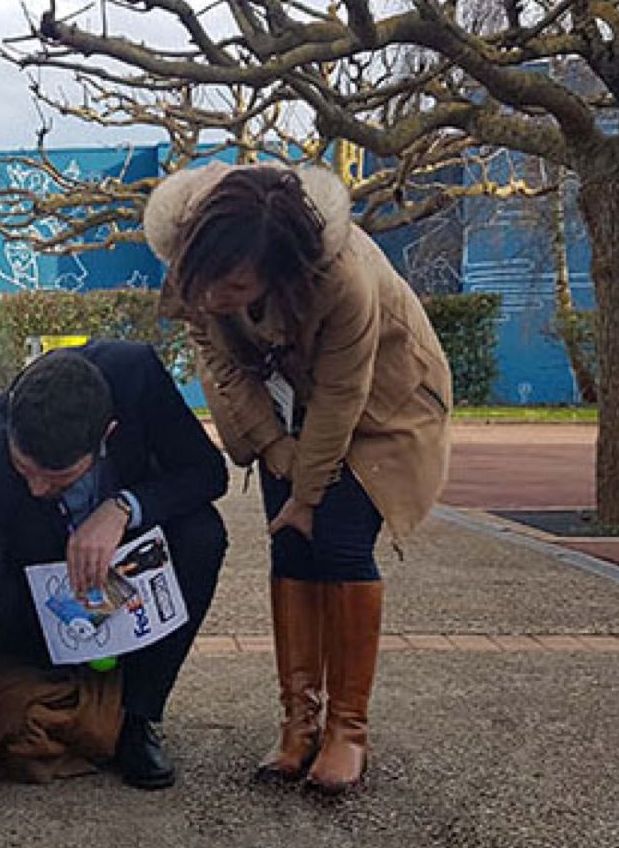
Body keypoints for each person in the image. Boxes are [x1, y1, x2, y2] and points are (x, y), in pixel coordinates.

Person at [143, 163, 453, 794]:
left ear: (278, 268)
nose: (209, 298)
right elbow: (223, 371)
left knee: (337, 541)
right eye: (201, 280)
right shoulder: (196, 256)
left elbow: (343, 394)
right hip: (283, 403)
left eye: (232, 284)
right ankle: (298, 723)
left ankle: (347, 730)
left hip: (381, 405)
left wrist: (309, 491)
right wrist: (278, 453)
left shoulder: (342, 278)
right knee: (289, 545)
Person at [0, 344, 229, 846]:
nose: (37, 489)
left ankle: (138, 718)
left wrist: (123, 507)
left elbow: (207, 473)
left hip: (124, 563)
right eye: (25, 470)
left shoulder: (136, 376)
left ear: (107, 436)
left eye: (58, 478)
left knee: (201, 534)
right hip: (32, 587)